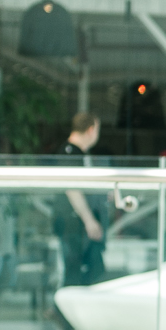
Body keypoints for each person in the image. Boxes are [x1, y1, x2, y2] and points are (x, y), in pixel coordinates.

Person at [56, 113, 108, 295]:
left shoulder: (79, 154)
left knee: (90, 270)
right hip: (73, 224)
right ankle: (62, 308)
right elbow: (72, 188)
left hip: (80, 224)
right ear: (91, 130)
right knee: (75, 271)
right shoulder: (69, 152)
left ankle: (68, 308)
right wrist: (89, 220)